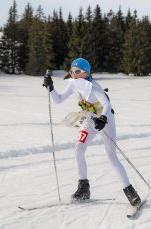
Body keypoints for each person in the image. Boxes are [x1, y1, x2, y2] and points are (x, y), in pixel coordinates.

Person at [42, 58, 141, 206]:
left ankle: (131, 193)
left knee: (111, 156)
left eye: (76, 71)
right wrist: (50, 87)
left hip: (105, 120)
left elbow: (107, 104)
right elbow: (58, 99)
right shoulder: (73, 85)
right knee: (78, 147)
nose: (73, 74)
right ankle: (83, 188)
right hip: (89, 119)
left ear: (85, 72)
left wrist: (102, 119)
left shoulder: (93, 86)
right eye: (71, 71)